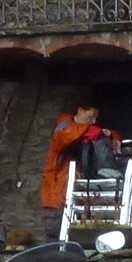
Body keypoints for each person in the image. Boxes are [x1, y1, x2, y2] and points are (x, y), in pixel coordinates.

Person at [39, 100, 122, 241]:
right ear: (81, 111)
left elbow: (97, 133)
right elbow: (70, 136)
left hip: (75, 194)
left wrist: (113, 135)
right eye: (92, 116)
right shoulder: (63, 127)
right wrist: (100, 132)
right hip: (57, 195)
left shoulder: (83, 130)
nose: (94, 121)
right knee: (56, 235)